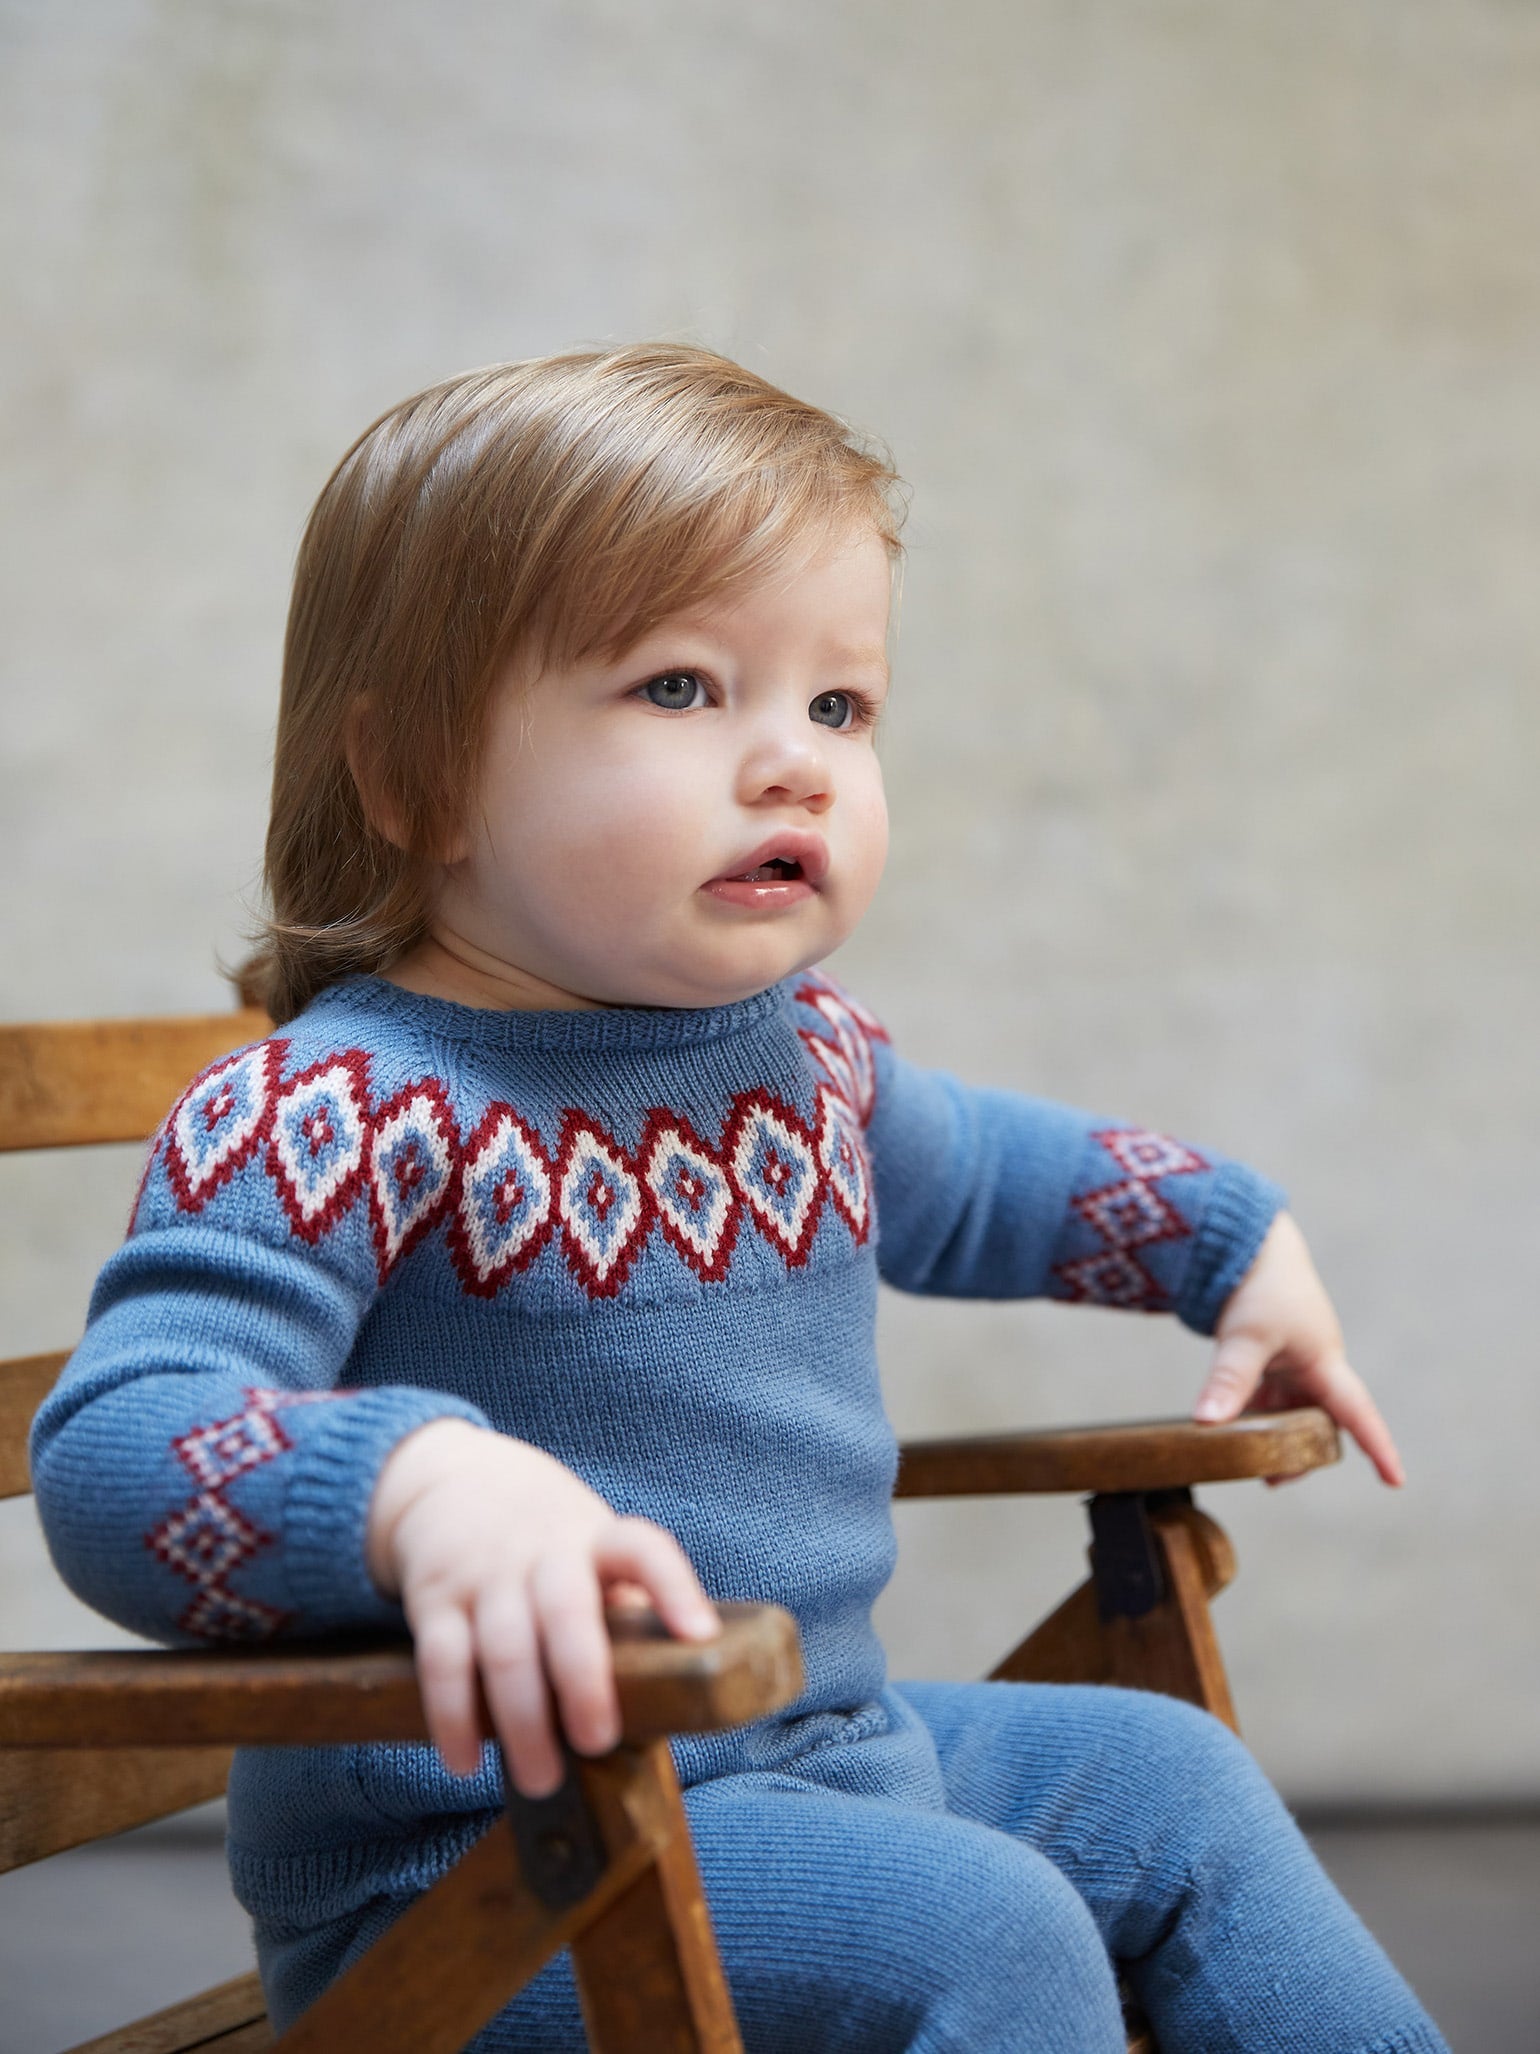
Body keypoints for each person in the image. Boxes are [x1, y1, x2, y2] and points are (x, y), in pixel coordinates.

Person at [32, 345, 1447, 2053]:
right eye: (683, 687)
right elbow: (121, 1449)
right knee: (982, 1927)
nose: (797, 763)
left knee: (1170, 1780)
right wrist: (409, 1484)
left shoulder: (800, 1062)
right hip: (490, 1873)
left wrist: (1232, 1239)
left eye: (840, 704)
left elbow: (1003, 1177)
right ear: (408, 776)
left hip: (821, 1755)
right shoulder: (331, 1108)